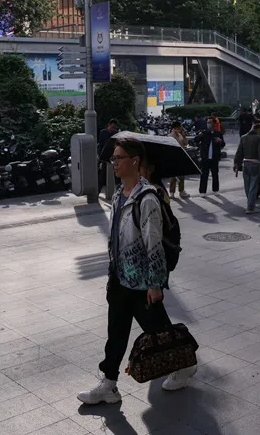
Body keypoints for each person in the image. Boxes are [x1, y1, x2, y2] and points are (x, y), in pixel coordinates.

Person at [78, 139, 194, 404]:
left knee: (160, 332)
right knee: (115, 333)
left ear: (135, 162)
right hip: (120, 279)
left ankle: (186, 363)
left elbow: (153, 244)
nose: (114, 163)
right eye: (113, 159)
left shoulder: (148, 198)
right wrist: (112, 271)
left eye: (119, 158)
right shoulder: (119, 194)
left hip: (142, 282)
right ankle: (109, 383)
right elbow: (115, 237)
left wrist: (155, 283)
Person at [234, 122, 260, 214]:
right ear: (258, 129)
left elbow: (239, 152)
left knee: (247, 185)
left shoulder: (243, 137)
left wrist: (236, 163)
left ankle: (250, 203)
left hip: (245, 163)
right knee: (253, 186)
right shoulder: (258, 138)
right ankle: (250, 207)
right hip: (255, 164)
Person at [195, 118, 224, 195]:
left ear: (214, 124)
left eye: (210, 122)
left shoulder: (218, 133)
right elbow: (196, 140)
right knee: (204, 174)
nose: (208, 124)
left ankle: (215, 189)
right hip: (205, 157)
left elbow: (223, 144)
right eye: (207, 122)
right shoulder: (204, 133)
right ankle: (202, 191)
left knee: (215, 174)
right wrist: (199, 136)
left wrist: (220, 141)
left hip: (214, 157)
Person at [168, 121, 190, 199]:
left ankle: (181, 191)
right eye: (179, 127)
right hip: (174, 157)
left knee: (181, 175)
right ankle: (172, 192)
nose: (181, 129)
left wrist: (184, 136)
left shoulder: (180, 135)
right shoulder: (171, 135)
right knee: (173, 176)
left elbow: (185, 143)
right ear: (176, 128)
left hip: (181, 156)